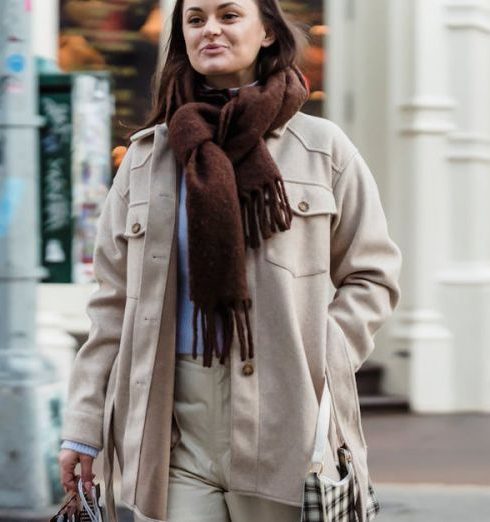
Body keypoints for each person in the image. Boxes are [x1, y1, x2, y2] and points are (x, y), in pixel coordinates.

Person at [58, 0, 402, 521]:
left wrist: (323, 353)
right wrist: (83, 428)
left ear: (266, 32)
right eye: (194, 20)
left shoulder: (323, 149)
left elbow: (372, 275)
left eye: (227, 15)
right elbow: (111, 303)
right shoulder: (147, 159)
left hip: (285, 412)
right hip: (171, 420)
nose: (209, 30)